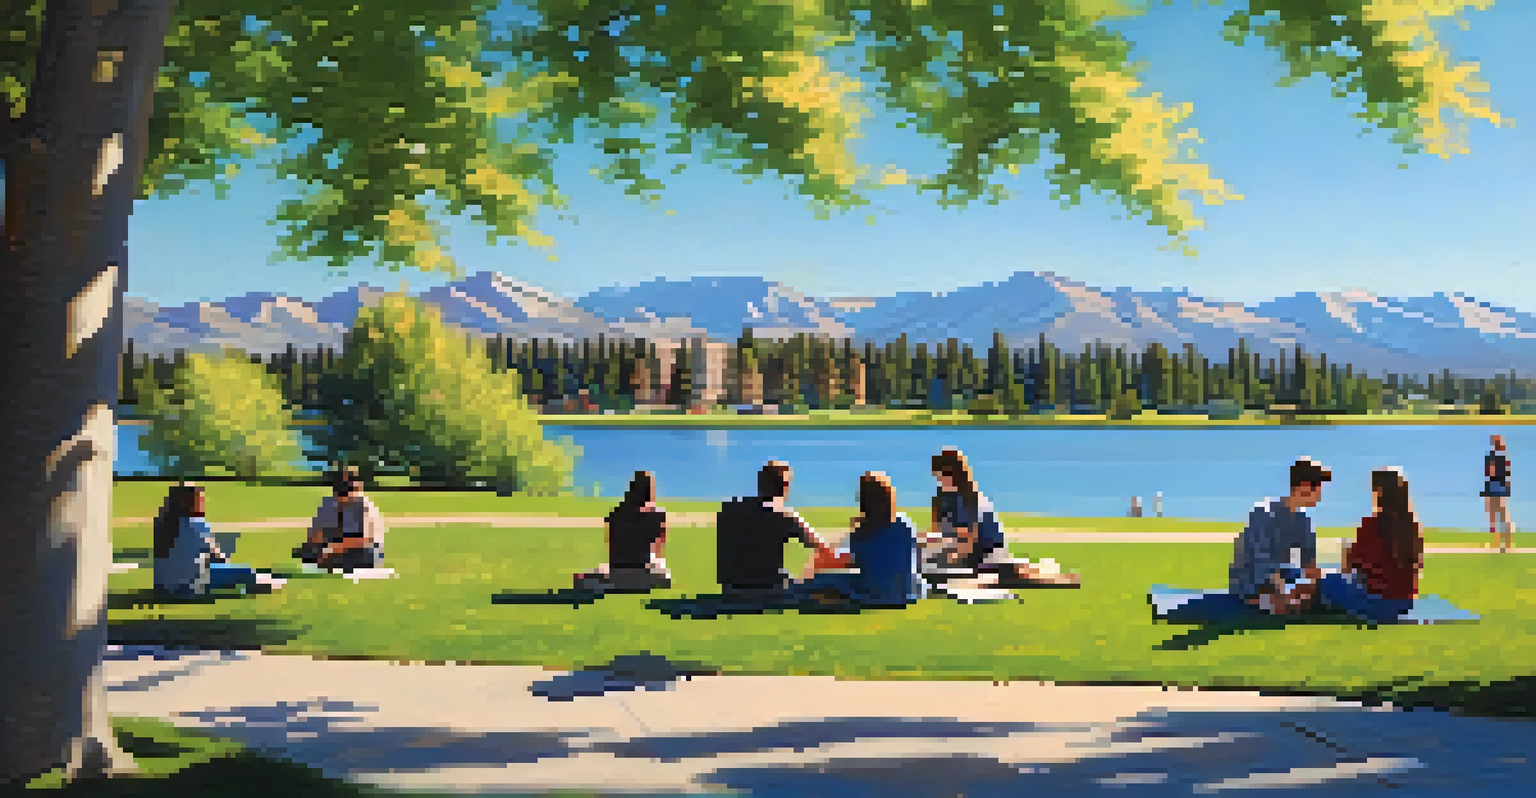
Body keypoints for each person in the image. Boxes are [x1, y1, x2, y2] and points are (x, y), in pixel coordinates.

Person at [925, 447, 1067, 584]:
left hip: (984, 554)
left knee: (995, 570)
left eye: (943, 474)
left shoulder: (970, 499)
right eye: (937, 475)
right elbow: (937, 532)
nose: (940, 479)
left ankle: (1039, 571)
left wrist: (950, 560)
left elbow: (967, 542)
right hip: (956, 549)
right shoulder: (941, 497)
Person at [793, 472, 923, 607]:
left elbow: (855, 561)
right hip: (903, 593)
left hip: (874, 593)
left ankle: (800, 591)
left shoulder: (864, 530)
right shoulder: (905, 524)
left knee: (820, 580)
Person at [716, 461, 841, 598]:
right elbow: (824, 549)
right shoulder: (784, 515)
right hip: (771, 589)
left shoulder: (729, 509)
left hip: (731, 589)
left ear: (760, 483)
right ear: (785, 487)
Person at [1228, 458, 1332, 615]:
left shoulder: (1302, 520)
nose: (1320, 496)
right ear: (1304, 486)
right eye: (1318, 490)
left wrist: (1323, 587)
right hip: (1252, 579)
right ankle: (1262, 602)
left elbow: (1309, 565)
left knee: (1322, 589)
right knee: (1285, 604)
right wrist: (1284, 593)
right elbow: (1261, 563)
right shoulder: (1263, 512)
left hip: (1282, 574)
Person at [1319, 468, 1423, 624]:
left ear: (1380, 492)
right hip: (1405, 604)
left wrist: (1347, 553)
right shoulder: (1411, 527)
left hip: (1376, 604)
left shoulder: (1372, 525)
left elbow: (1350, 568)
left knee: (1326, 582)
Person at [154, 483, 282, 597]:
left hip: (161, 586)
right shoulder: (196, 524)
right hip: (189, 587)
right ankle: (269, 584)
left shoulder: (162, 524)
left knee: (218, 572)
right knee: (244, 571)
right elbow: (220, 558)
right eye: (200, 500)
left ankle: (260, 581)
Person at [574, 471, 671, 593]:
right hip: (644, 572)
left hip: (617, 572)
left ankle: (605, 584)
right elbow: (659, 549)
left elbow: (612, 548)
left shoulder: (616, 513)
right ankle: (625, 585)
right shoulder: (657, 515)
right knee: (664, 573)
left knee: (604, 571)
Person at [296, 466, 387, 572]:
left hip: (363, 549)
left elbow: (365, 539)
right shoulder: (327, 504)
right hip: (335, 543)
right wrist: (315, 546)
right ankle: (331, 561)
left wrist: (333, 550)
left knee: (367, 554)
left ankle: (334, 561)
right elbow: (316, 533)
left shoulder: (364, 506)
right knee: (306, 551)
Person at [1483, 435, 1514, 553]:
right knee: (1500, 515)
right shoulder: (1502, 457)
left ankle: (1503, 542)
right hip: (1498, 487)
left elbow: (1491, 472)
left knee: (1498, 515)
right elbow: (1503, 473)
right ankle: (1504, 542)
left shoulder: (1496, 457)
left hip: (1497, 487)